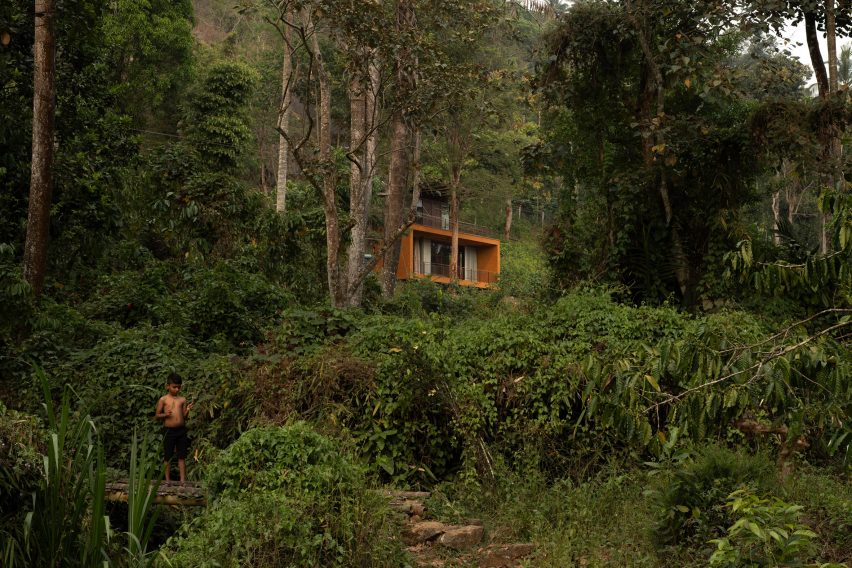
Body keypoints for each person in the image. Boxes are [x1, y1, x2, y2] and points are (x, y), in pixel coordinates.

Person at [154, 373, 193, 482]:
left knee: (182, 456)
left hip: (181, 430)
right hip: (169, 431)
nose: (177, 389)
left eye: (179, 387)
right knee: (168, 456)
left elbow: (184, 416)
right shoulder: (163, 399)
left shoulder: (182, 400)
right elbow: (156, 416)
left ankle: (182, 481)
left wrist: (188, 410)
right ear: (168, 386)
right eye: (174, 387)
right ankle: (167, 481)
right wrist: (165, 415)